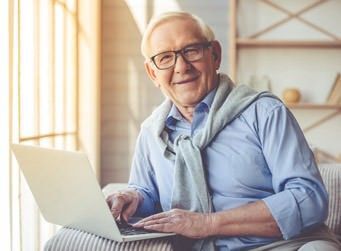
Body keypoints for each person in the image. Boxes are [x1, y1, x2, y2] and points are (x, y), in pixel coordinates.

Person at [106, 11, 340, 251]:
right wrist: (133, 198)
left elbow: (308, 198)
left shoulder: (266, 113)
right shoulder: (151, 132)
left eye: (191, 51)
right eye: (165, 58)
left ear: (215, 55)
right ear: (152, 73)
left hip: (282, 245)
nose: (181, 67)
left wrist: (208, 223)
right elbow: (147, 193)